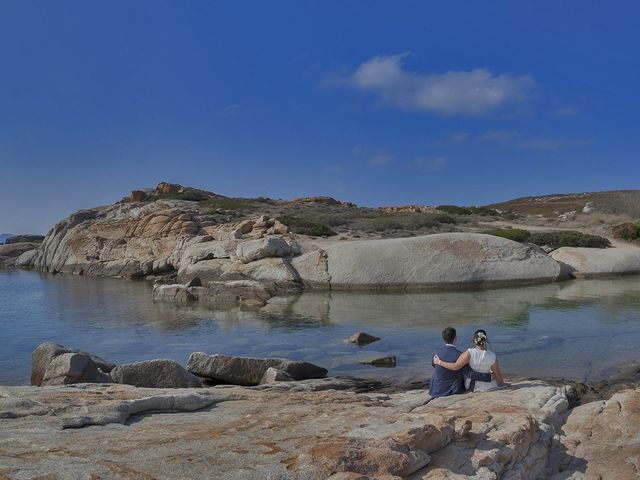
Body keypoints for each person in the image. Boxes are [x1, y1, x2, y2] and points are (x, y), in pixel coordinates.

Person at [433, 329, 507, 392]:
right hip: (488, 386)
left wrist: (439, 362)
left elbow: (455, 367)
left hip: (471, 386)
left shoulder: (469, 352)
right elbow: (498, 375)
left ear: (474, 340)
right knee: (491, 372)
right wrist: (503, 384)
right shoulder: (492, 355)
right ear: (485, 340)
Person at [429, 326, 466, 398]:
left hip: (436, 389)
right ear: (455, 338)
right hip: (453, 389)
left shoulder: (436, 351)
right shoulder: (460, 354)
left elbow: (433, 365)